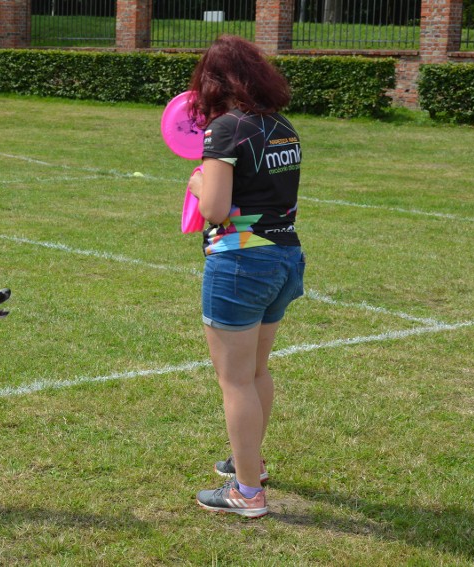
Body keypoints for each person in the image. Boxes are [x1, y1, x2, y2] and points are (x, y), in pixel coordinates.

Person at [186, 35, 305, 519]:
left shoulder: (226, 128)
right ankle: (247, 462)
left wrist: (197, 182)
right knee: (256, 370)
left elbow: (215, 209)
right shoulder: (282, 125)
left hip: (240, 262)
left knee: (234, 380)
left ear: (212, 81)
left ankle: (247, 492)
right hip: (284, 256)